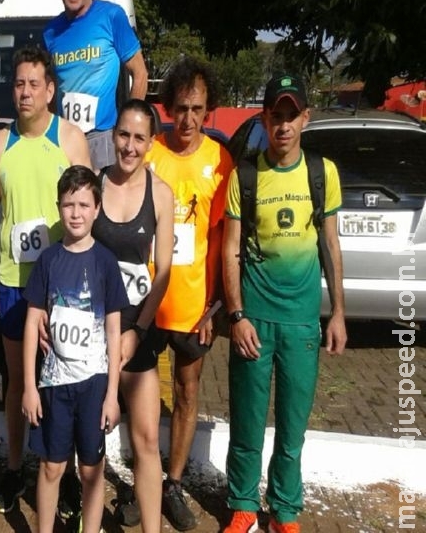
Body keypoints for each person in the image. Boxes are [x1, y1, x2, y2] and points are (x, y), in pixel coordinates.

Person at [221, 75, 346, 533]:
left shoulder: (322, 173)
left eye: (292, 115)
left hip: (301, 323)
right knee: (247, 423)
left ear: (305, 119)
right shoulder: (246, 175)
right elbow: (230, 248)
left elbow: (331, 246)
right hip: (254, 319)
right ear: (264, 118)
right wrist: (236, 316)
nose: (284, 125)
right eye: (276, 115)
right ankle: (242, 506)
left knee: (292, 427)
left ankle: (284, 510)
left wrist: (337, 314)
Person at [0, 46, 90, 514]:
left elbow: (87, 208)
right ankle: (15, 468)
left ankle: (60, 475)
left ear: (50, 90)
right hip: (11, 282)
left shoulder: (70, 138)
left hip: (60, 285)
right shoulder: (2, 142)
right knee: (17, 380)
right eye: (19, 84)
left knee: (59, 383)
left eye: (33, 84)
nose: (24, 92)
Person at [144, 56, 233, 531]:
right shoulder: (151, 151)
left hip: (193, 305)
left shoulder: (219, 160)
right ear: (167, 106)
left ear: (209, 109)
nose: (189, 119)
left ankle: (172, 484)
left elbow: (222, 241)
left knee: (186, 391)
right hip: (146, 305)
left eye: (198, 109)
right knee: (139, 394)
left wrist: (214, 305)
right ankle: (144, 481)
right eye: (181, 107)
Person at [22, 165, 129, 533]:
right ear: (59, 207)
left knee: (90, 469)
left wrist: (112, 394)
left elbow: (114, 331)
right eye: (69, 205)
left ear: (97, 208)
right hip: (53, 384)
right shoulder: (48, 261)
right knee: (52, 467)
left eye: (84, 204)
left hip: (94, 384)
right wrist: (29, 387)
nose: (76, 213)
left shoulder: (105, 263)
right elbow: (31, 322)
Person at [90, 99, 174, 532]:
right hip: (91, 332)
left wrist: (137, 331)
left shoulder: (160, 194)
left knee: (145, 440)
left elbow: (163, 274)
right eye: (123, 134)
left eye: (139, 137)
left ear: (150, 142)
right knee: (92, 442)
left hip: (138, 334)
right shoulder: (94, 184)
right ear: (113, 134)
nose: (129, 146)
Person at [43, 0, 148, 170]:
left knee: (104, 205)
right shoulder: (50, 33)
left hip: (103, 139)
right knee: (68, 205)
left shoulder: (112, 16)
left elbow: (140, 74)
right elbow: (50, 92)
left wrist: (127, 129)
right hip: (65, 140)